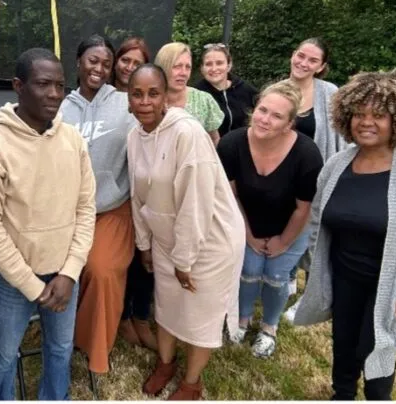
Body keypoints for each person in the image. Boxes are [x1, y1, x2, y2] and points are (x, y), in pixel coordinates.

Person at [0, 48, 96, 400]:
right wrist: (32, 286)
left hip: (64, 274)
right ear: (19, 86)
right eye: (43, 84)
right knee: (2, 358)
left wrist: (69, 272)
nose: (54, 94)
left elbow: (86, 209)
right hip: (13, 279)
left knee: (60, 349)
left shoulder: (73, 141)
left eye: (60, 85)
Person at [295, 71, 396, 400]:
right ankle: (342, 395)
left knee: (375, 355)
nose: (367, 122)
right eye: (360, 114)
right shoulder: (337, 164)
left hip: (388, 288)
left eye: (379, 115)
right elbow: (319, 218)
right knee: (344, 350)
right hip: (345, 278)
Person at [127, 63, 245, 400]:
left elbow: (196, 204)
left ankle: (192, 381)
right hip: (166, 238)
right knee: (166, 306)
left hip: (209, 241)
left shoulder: (187, 133)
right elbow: (139, 195)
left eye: (153, 93)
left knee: (198, 316)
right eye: (137, 94)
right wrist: (144, 244)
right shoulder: (134, 135)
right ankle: (166, 363)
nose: (145, 101)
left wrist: (184, 260)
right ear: (129, 100)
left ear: (165, 97)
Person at [216, 80, 323, 358]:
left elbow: (304, 208)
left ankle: (269, 328)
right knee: (249, 270)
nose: (265, 119)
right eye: (263, 110)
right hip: (247, 221)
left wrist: (283, 243)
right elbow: (232, 196)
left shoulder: (307, 154)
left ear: (289, 124)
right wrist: (248, 235)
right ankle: (242, 318)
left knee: (276, 275)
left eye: (277, 116)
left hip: (291, 225)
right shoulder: (231, 143)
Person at [60, 35, 140, 373]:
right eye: (93, 60)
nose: (100, 68)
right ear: (78, 61)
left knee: (102, 270)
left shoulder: (126, 105)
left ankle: (92, 348)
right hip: (67, 211)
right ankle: (61, 337)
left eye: (106, 63)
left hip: (112, 208)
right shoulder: (60, 107)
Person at [284, 37, 347, 322]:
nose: (303, 63)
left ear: (321, 67)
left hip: (318, 178)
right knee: (286, 228)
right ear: (292, 55)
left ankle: (312, 298)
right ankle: (286, 280)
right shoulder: (279, 90)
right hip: (283, 176)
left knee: (317, 235)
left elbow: (343, 137)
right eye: (301, 55)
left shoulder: (330, 93)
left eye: (312, 60)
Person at [108, 37, 158, 350]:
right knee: (126, 258)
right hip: (118, 194)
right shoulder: (104, 96)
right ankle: (123, 316)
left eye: (136, 63)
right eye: (125, 60)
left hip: (147, 191)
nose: (129, 67)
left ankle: (141, 315)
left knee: (147, 257)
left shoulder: (146, 99)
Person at [154, 42, 224, 145]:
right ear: (163, 67)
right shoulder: (149, 101)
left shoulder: (203, 100)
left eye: (188, 67)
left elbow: (214, 140)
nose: (183, 73)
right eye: (177, 66)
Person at [194, 43, 258, 137]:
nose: (214, 68)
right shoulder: (196, 94)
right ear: (202, 68)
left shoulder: (246, 89)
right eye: (208, 64)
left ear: (229, 65)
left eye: (219, 63)